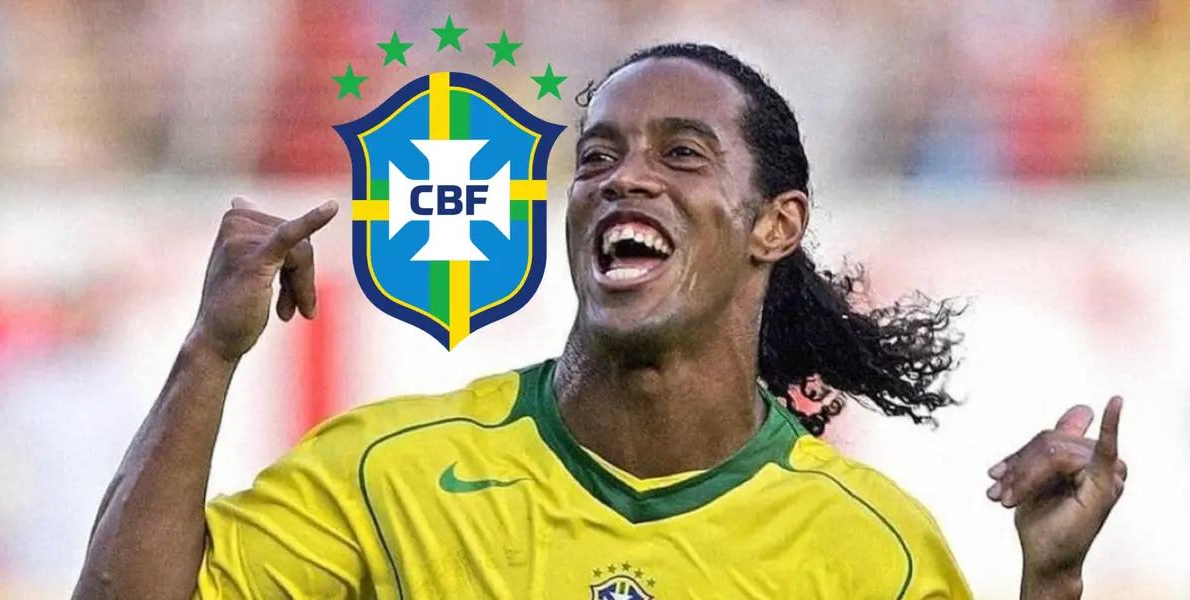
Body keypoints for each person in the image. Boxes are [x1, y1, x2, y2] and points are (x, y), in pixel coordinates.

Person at [74, 43, 1126, 599]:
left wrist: (1054, 582)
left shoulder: (873, 550)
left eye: (680, 154)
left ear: (776, 224)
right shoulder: (390, 473)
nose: (625, 178)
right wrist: (210, 353)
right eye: (597, 157)